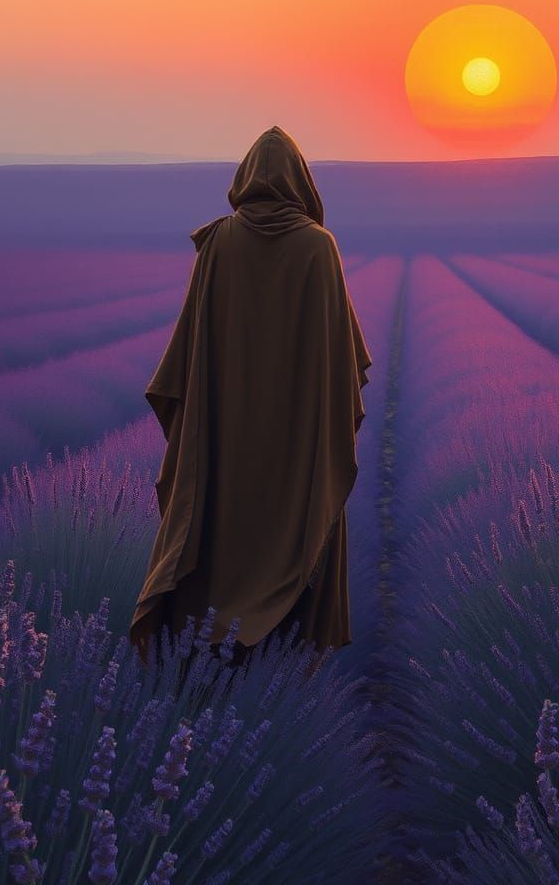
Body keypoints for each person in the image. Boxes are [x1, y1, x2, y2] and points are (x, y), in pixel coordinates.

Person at [129, 125, 373, 694]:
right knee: (297, 529)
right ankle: (279, 679)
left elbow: (186, 361)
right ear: (300, 180)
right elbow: (342, 366)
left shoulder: (220, 244)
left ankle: (203, 678)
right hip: (296, 448)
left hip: (226, 442)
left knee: (215, 536)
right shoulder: (318, 247)